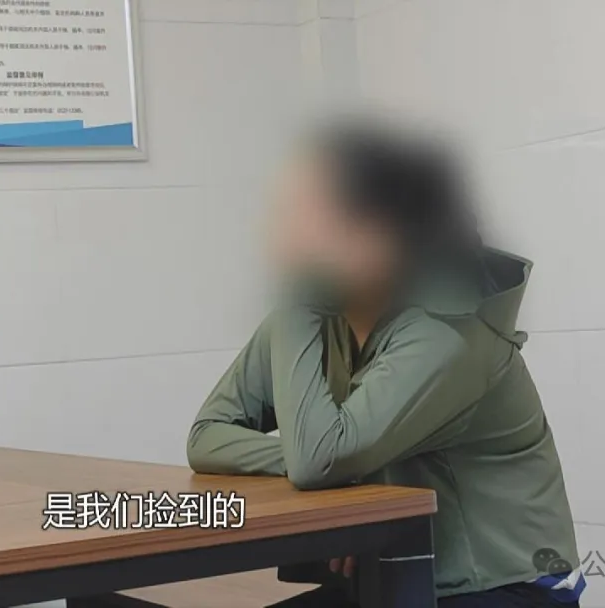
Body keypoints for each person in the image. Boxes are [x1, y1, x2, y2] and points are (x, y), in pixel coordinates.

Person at [186, 121, 583, 607]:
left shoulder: (446, 331)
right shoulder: (317, 312)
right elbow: (208, 434)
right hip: (399, 570)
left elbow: (316, 459)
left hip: (505, 586)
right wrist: (345, 475)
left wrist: (332, 466)